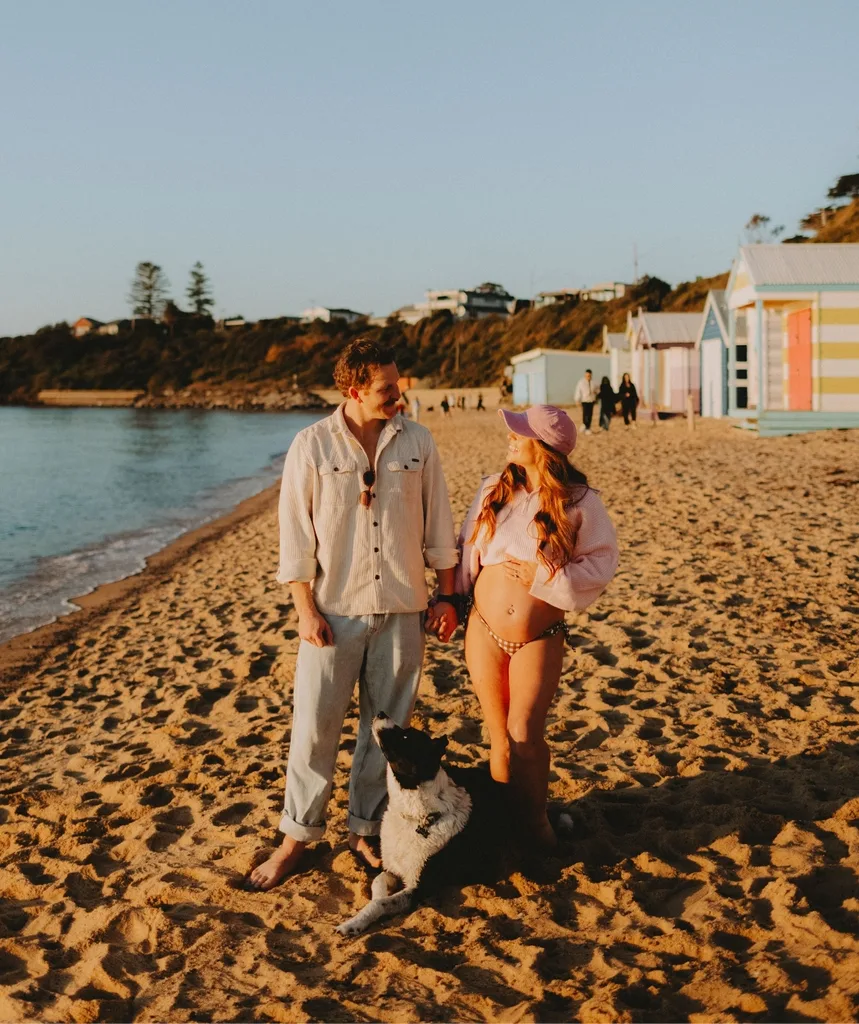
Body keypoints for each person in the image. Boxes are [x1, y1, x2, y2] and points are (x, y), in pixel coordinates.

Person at [249, 338, 459, 889]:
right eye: (387, 389)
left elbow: (439, 526)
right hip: (332, 612)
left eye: (398, 383)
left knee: (386, 733)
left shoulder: (418, 440)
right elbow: (294, 536)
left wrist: (447, 595)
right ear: (354, 391)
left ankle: (365, 829)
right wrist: (304, 608)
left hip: (402, 609)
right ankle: (297, 837)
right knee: (314, 729)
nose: (399, 395)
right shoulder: (312, 445)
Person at [455, 405, 618, 849]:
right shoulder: (493, 489)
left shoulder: (580, 501)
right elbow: (466, 547)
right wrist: (449, 600)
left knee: (525, 735)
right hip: (484, 629)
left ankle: (537, 826)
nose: (509, 437)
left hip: (538, 636)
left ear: (544, 449)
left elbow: (602, 564)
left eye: (519, 433)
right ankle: (506, 829)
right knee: (499, 739)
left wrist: (543, 577)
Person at [573, 369, 597, 434]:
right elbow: (578, 391)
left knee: (590, 414)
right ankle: (585, 426)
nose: (588, 376)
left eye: (589, 375)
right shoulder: (581, 382)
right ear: (585, 375)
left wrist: (595, 394)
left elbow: (596, 390)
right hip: (585, 400)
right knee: (585, 414)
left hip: (591, 400)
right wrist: (577, 399)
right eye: (587, 375)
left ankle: (587, 427)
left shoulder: (593, 382)